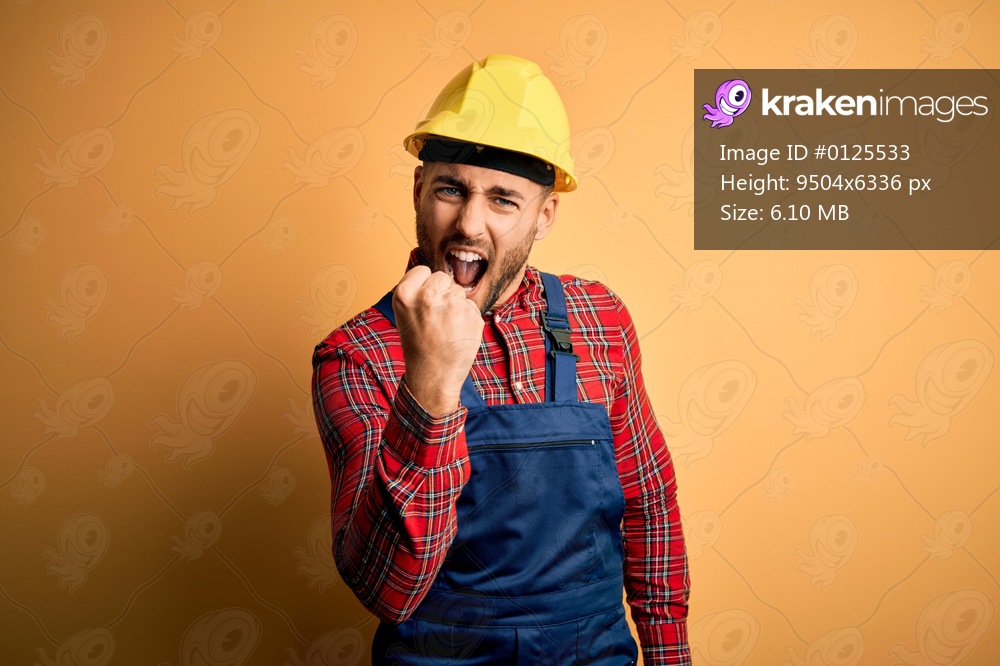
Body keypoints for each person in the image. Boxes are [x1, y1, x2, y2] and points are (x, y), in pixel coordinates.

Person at [312, 54, 690, 665]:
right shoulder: (358, 354)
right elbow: (388, 590)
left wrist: (671, 659)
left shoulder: (600, 320)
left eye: (503, 200)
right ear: (419, 190)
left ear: (544, 215)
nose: (469, 224)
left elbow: (650, 508)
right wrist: (430, 383)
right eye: (451, 189)